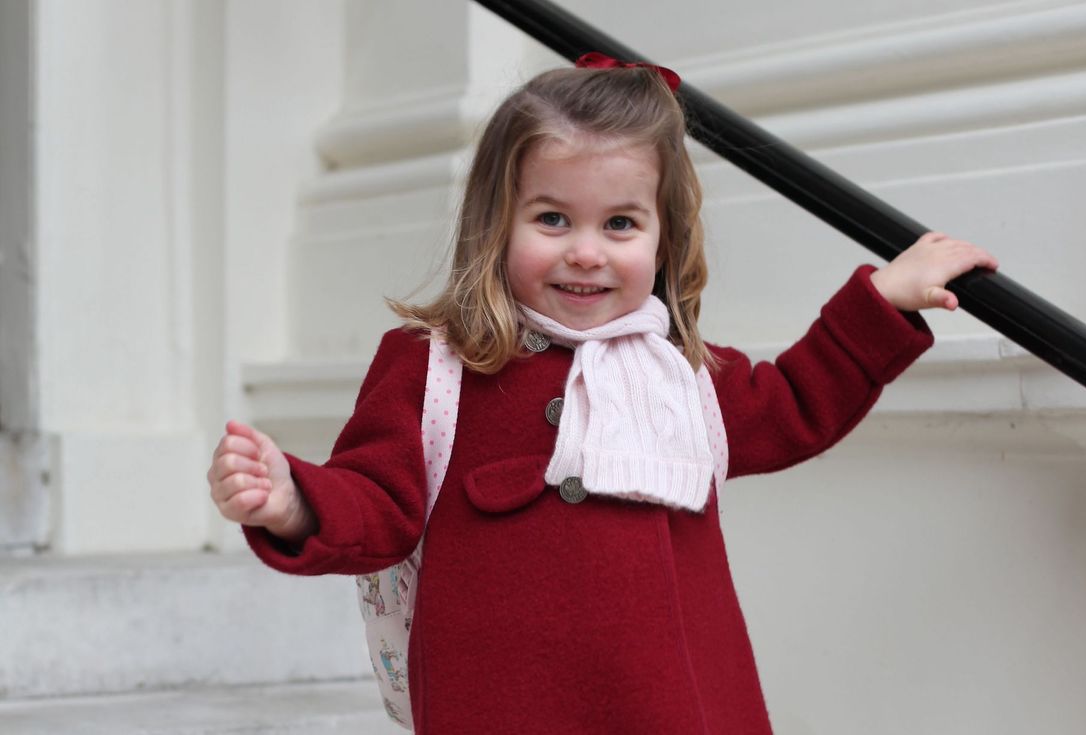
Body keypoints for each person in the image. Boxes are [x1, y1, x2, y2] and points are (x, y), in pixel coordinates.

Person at [207, 55, 998, 734]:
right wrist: (293, 499)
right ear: (496, 223)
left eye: (620, 223)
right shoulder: (437, 367)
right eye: (552, 218)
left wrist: (882, 303)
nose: (585, 252)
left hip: (675, 709)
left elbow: (794, 404)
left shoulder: (681, 373)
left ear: (663, 238)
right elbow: (377, 501)